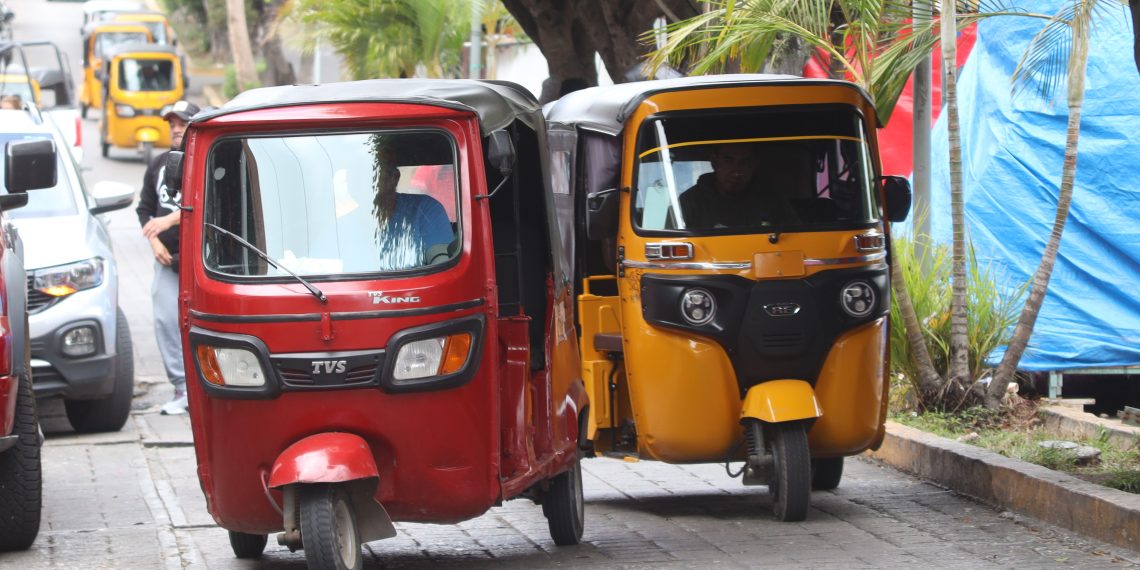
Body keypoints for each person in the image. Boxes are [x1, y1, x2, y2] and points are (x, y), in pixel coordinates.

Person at [138, 99, 198, 414]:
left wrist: (171, 220)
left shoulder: (206, 158)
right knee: (164, 319)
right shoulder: (159, 164)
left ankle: (206, 386)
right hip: (166, 259)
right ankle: (182, 389)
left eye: (182, 123)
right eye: (172, 124)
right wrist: (154, 241)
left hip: (200, 262)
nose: (176, 129)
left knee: (199, 323)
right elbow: (144, 209)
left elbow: (204, 204)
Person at [368, 136, 453, 271]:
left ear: (395, 178)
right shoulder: (343, 224)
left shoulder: (426, 209)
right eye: (358, 173)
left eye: (377, 173)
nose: (369, 180)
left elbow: (443, 268)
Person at [675, 143, 800, 230]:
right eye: (728, 161)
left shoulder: (772, 200)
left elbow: (796, 238)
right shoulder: (689, 202)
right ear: (714, 162)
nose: (737, 172)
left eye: (745, 162)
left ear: (754, 165)